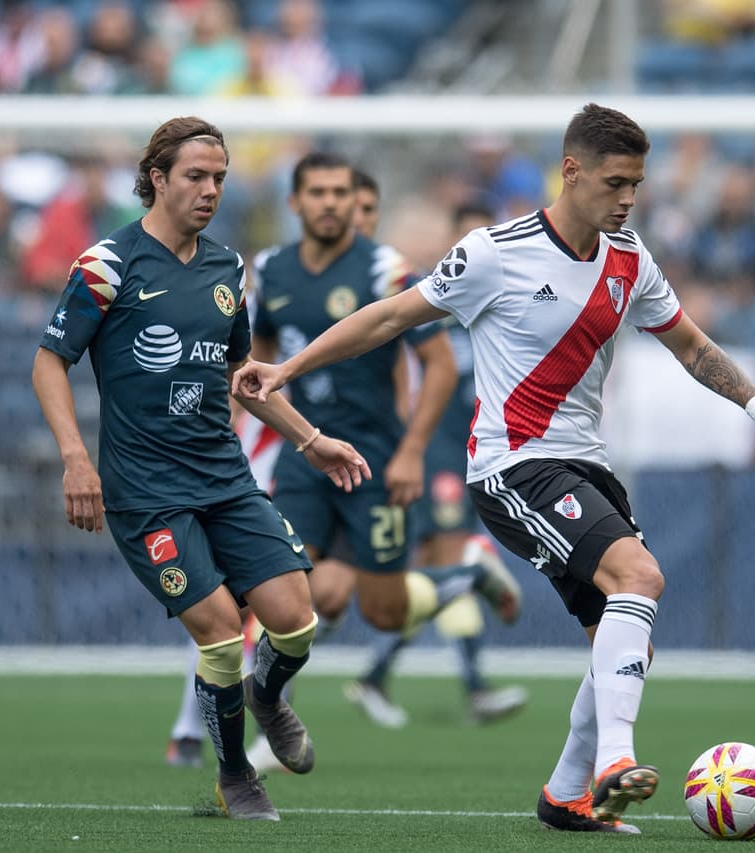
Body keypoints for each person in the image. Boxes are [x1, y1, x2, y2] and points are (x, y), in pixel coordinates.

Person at [231, 103, 755, 834]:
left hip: (586, 467)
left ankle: (565, 796)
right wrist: (286, 369)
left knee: (625, 641)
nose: (628, 198)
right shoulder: (494, 252)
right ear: (571, 171)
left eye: (636, 185)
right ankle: (615, 762)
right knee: (639, 577)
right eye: (615, 182)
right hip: (514, 466)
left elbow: (692, 346)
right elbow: (388, 318)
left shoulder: (630, 259)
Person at [32, 116, 371, 821]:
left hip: (224, 476)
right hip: (146, 493)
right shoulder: (107, 264)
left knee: (295, 620)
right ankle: (234, 773)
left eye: (219, 177)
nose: (211, 189)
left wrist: (312, 440)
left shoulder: (227, 269)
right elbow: (49, 362)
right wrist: (75, 458)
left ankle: (265, 695)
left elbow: (243, 374)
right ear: (157, 179)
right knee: (219, 629)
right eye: (196, 176)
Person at [248, 153, 524, 731]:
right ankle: (271, 725)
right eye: (317, 192)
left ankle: (467, 576)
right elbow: (257, 363)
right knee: (296, 595)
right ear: (295, 202)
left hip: (372, 461)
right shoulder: (270, 269)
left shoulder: (386, 270)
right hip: (304, 457)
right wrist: (253, 434)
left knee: (382, 610)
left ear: (356, 202)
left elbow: (437, 365)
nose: (330, 203)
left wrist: (410, 451)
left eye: (339, 193)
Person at [347, 196, 529, 728]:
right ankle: (473, 688)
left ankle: (376, 676)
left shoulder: (506, 298)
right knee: (452, 557)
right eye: (470, 236)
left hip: (479, 451)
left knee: (435, 570)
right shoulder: (434, 299)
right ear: (455, 241)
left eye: (488, 235)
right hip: (437, 452)